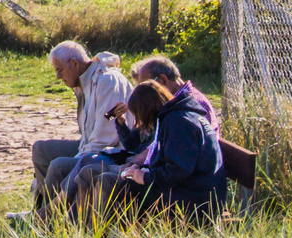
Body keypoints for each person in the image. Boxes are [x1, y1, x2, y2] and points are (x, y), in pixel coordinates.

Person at [75, 79, 227, 223]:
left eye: (140, 117)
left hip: (197, 203)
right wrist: (141, 171)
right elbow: (171, 162)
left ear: (147, 111)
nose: (141, 123)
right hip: (192, 192)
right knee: (107, 178)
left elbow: (179, 170)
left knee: (120, 186)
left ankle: (104, 237)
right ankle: (89, 232)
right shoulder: (175, 116)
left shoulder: (179, 122)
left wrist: (145, 177)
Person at [16, 41, 131, 220]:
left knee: (59, 165)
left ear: (74, 63)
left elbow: (106, 134)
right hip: (90, 146)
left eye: (59, 70)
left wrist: (76, 162)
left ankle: (45, 221)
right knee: (41, 149)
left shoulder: (107, 81)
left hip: (115, 151)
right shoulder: (84, 83)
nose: (58, 77)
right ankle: (38, 209)